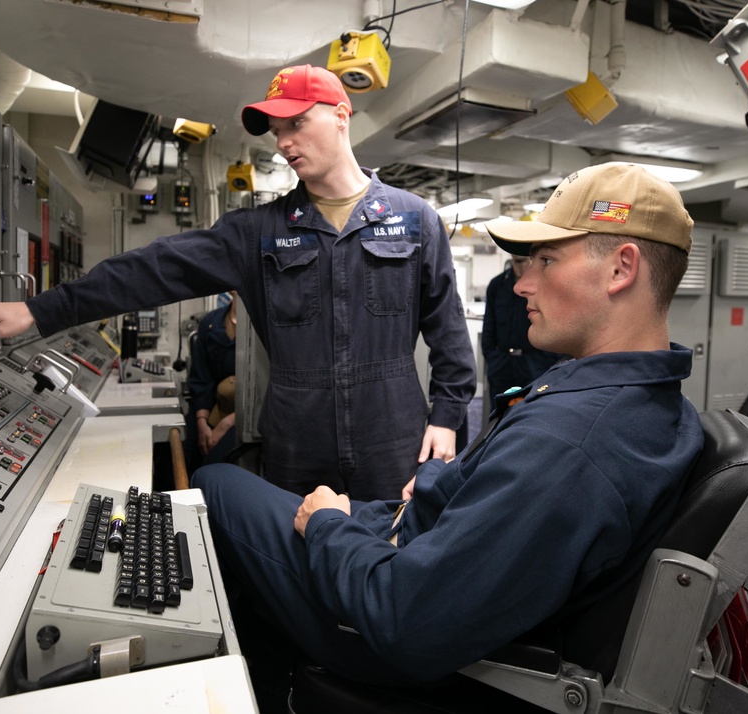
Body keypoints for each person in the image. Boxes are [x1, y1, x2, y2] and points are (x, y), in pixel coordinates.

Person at [190, 162, 704, 709]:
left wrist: (327, 527)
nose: (523, 282)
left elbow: (406, 618)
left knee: (217, 484)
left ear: (622, 269)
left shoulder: (572, 445)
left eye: (547, 260)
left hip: (397, 630)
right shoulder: (648, 402)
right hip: (425, 547)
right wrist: (438, 481)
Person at [0, 64, 476, 501]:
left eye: (296, 123)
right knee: (299, 573)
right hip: (296, 441)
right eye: (276, 130)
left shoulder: (413, 219)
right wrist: (39, 311)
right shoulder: (258, 232)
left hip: (394, 434)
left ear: (340, 114)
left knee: (396, 560)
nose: (283, 142)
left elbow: (449, 333)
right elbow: (153, 269)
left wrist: (448, 417)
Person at [481, 253, 562, 411]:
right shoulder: (497, 285)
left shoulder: (543, 286)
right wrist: (493, 359)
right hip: (502, 366)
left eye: (525, 260)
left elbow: (555, 325)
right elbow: (489, 328)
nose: (521, 266)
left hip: (534, 365)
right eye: (517, 261)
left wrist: (545, 362)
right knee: (499, 417)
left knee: (533, 415)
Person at [185, 293, 237, 471]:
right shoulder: (211, 322)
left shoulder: (265, 326)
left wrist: (228, 423)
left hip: (245, 417)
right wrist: (201, 422)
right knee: (185, 451)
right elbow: (201, 377)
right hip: (211, 407)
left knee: (211, 466)